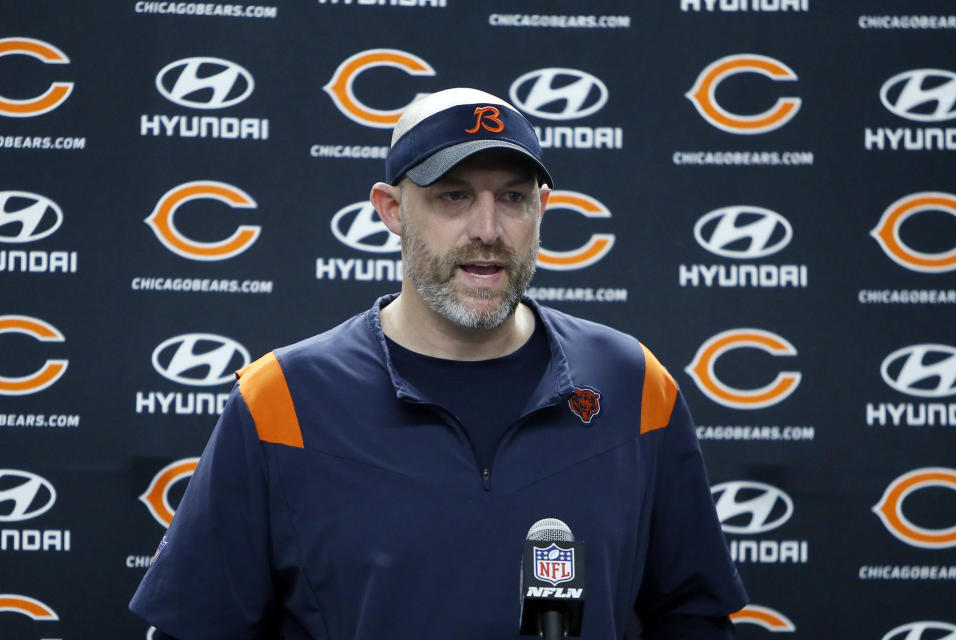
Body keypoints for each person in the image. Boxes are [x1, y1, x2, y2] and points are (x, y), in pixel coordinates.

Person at [130, 88, 747, 639]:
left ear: (543, 207)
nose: (488, 228)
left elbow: (693, 614)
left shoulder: (632, 382)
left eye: (512, 197)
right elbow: (200, 625)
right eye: (453, 196)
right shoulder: (281, 400)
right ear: (392, 209)